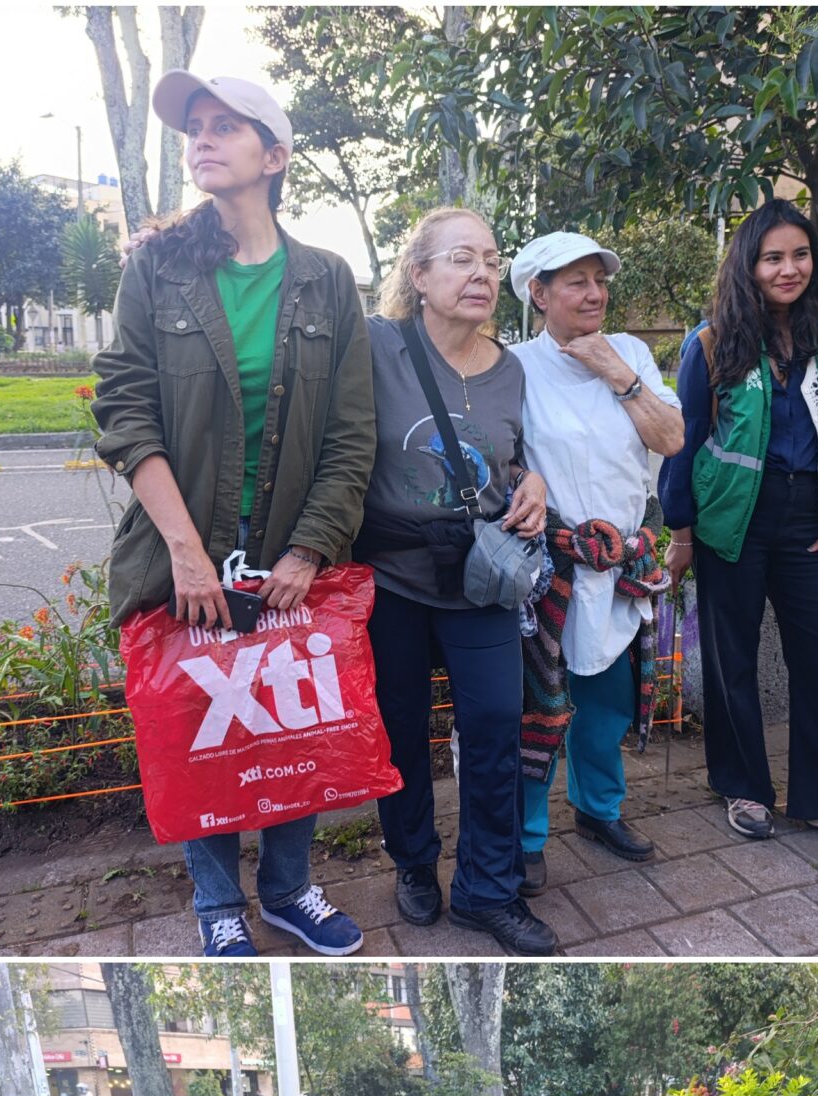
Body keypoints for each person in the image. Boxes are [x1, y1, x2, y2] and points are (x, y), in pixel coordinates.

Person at [91, 69, 376, 956]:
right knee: (200, 722)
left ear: (275, 155)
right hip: (184, 547)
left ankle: (288, 890)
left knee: (292, 721)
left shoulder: (327, 281)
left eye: (226, 126)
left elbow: (351, 434)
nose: (202, 139)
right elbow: (125, 408)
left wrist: (308, 551)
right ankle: (216, 901)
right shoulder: (158, 268)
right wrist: (184, 550)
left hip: (289, 552)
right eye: (195, 128)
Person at [659, 199, 818, 848]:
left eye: (800, 255)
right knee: (730, 661)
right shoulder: (711, 340)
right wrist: (681, 534)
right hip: (730, 523)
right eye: (773, 257)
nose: (788, 268)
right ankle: (743, 787)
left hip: (812, 520)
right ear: (749, 264)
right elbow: (683, 445)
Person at [357, 208, 555, 954]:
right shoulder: (377, 346)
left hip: (481, 578)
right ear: (419, 275)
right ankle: (413, 863)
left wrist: (532, 479)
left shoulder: (510, 367)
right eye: (462, 259)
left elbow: (518, 449)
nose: (482, 274)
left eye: (493, 262)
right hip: (393, 576)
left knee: (499, 726)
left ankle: (486, 889)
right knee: (401, 729)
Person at [507, 231, 686, 894]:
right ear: (539, 293)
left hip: (620, 566)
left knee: (606, 703)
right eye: (576, 281)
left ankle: (597, 811)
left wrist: (616, 371)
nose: (594, 293)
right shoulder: (514, 365)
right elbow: (505, 458)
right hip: (549, 567)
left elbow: (670, 438)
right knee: (539, 708)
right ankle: (525, 837)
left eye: (600, 280)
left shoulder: (632, 353)